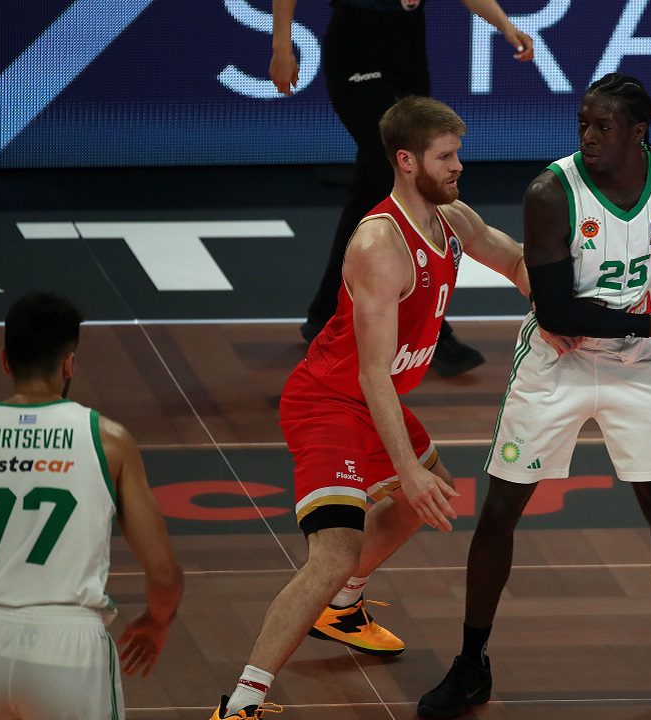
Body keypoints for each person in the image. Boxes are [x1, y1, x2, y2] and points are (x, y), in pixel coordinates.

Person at [208, 95, 572, 720]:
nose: (458, 166)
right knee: (335, 551)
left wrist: (552, 307)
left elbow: (514, 259)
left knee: (427, 494)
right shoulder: (380, 244)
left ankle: (342, 609)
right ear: (406, 161)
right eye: (445, 156)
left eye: (457, 153)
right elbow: (372, 373)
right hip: (329, 401)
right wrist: (405, 468)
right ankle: (242, 701)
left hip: (372, 400)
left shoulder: (451, 218)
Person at [416, 73, 651, 720]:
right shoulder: (552, 193)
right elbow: (554, 311)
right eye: (583, 123)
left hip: (640, 370)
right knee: (499, 513)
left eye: (603, 126)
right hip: (558, 365)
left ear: (639, 133)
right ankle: (471, 665)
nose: (589, 135)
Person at [270, 0, 535, 377]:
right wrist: (282, 45)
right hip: (358, 44)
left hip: (408, 43)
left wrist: (505, 25)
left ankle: (326, 312)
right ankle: (433, 330)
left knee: (371, 186)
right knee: (405, 176)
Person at [0, 292, 185, 720]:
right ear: (69, 364)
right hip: (65, 645)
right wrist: (156, 623)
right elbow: (164, 574)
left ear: (5, 360)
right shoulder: (108, 439)